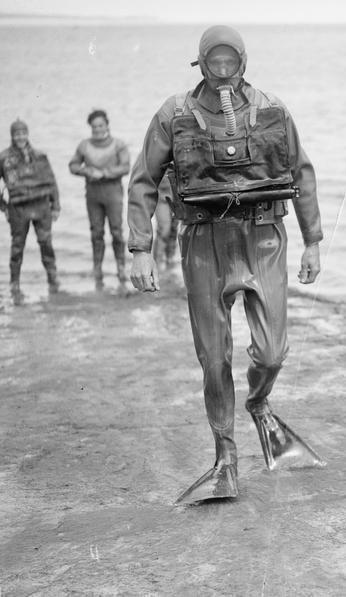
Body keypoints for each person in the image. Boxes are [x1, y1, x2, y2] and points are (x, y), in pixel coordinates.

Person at [127, 25, 324, 505]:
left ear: (242, 62)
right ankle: (225, 456)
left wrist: (312, 241)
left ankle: (259, 402)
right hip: (203, 241)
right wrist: (140, 249)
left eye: (228, 61)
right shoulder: (175, 113)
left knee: (273, 351)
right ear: (201, 63)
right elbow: (143, 181)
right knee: (214, 359)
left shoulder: (272, 109)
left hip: (263, 238)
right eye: (213, 62)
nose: (221, 71)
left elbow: (301, 172)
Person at [69, 109, 131, 291]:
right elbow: (72, 165)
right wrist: (87, 171)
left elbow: (125, 167)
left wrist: (103, 173)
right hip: (93, 194)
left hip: (113, 193)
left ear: (107, 125)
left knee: (117, 232)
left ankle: (121, 269)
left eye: (100, 125)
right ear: (90, 127)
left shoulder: (118, 145)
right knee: (96, 233)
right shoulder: (84, 146)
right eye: (94, 126)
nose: (97, 129)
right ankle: (98, 270)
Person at [0, 119, 61, 303]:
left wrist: (56, 206)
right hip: (18, 209)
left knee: (46, 243)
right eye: (17, 134)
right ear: (12, 136)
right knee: (17, 247)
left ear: (28, 134)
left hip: (42, 207)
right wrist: (3, 206)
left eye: (23, 133)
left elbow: (51, 181)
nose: (20, 137)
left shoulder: (40, 155)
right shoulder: (4, 158)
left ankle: (53, 281)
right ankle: (14, 284)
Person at [151, 175, 179, 271]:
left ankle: (169, 259)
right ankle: (157, 262)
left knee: (174, 229)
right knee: (164, 229)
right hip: (161, 196)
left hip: (178, 196)